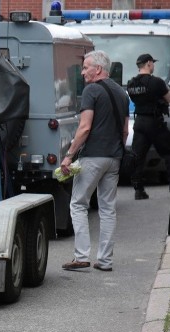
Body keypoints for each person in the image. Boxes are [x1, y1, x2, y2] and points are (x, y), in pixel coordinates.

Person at [60, 51, 129, 273]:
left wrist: (70, 155)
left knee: (78, 204)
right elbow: (125, 131)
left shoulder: (91, 90)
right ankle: (105, 260)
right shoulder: (122, 93)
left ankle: (81, 256)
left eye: (86, 67)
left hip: (92, 157)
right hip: (114, 157)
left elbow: (85, 127)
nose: (82, 72)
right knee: (108, 209)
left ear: (98, 69)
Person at [126, 53, 170, 199]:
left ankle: (138, 190)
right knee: (169, 152)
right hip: (155, 122)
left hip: (139, 122)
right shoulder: (157, 82)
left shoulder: (131, 84)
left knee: (138, 156)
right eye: (153, 63)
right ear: (149, 63)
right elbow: (169, 99)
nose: (153, 66)